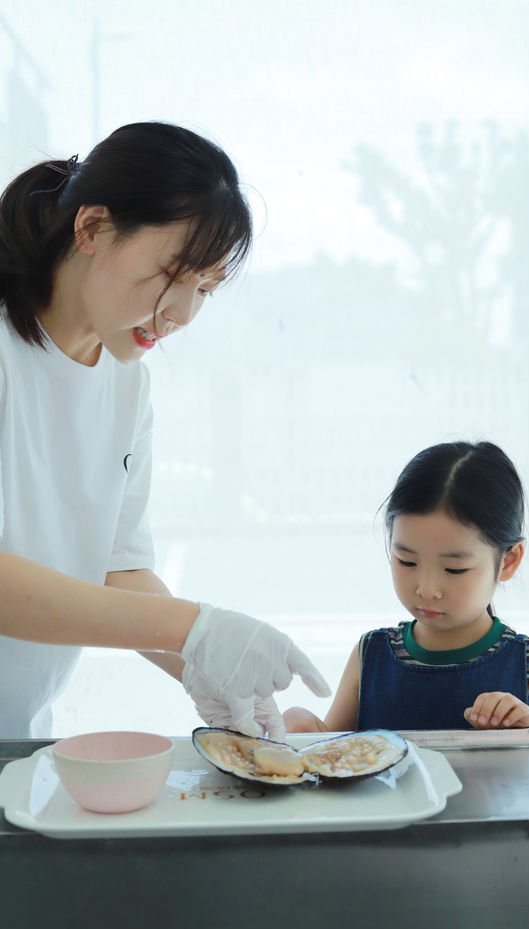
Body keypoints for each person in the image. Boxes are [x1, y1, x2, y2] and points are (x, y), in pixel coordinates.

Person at [0, 121, 329, 741]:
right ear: (92, 227)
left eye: (205, 287)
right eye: (174, 274)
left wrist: (199, 667)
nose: (183, 314)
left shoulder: (128, 385)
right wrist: (191, 630)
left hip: (17, 737)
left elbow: (116, 566)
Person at [284, 441, 529, 733]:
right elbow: (334, 761)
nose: (427, 589)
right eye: (407, 562)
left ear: (509, 561)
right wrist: (301, 732)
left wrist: (527, 744)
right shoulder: (370, 656)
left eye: (454, 569)